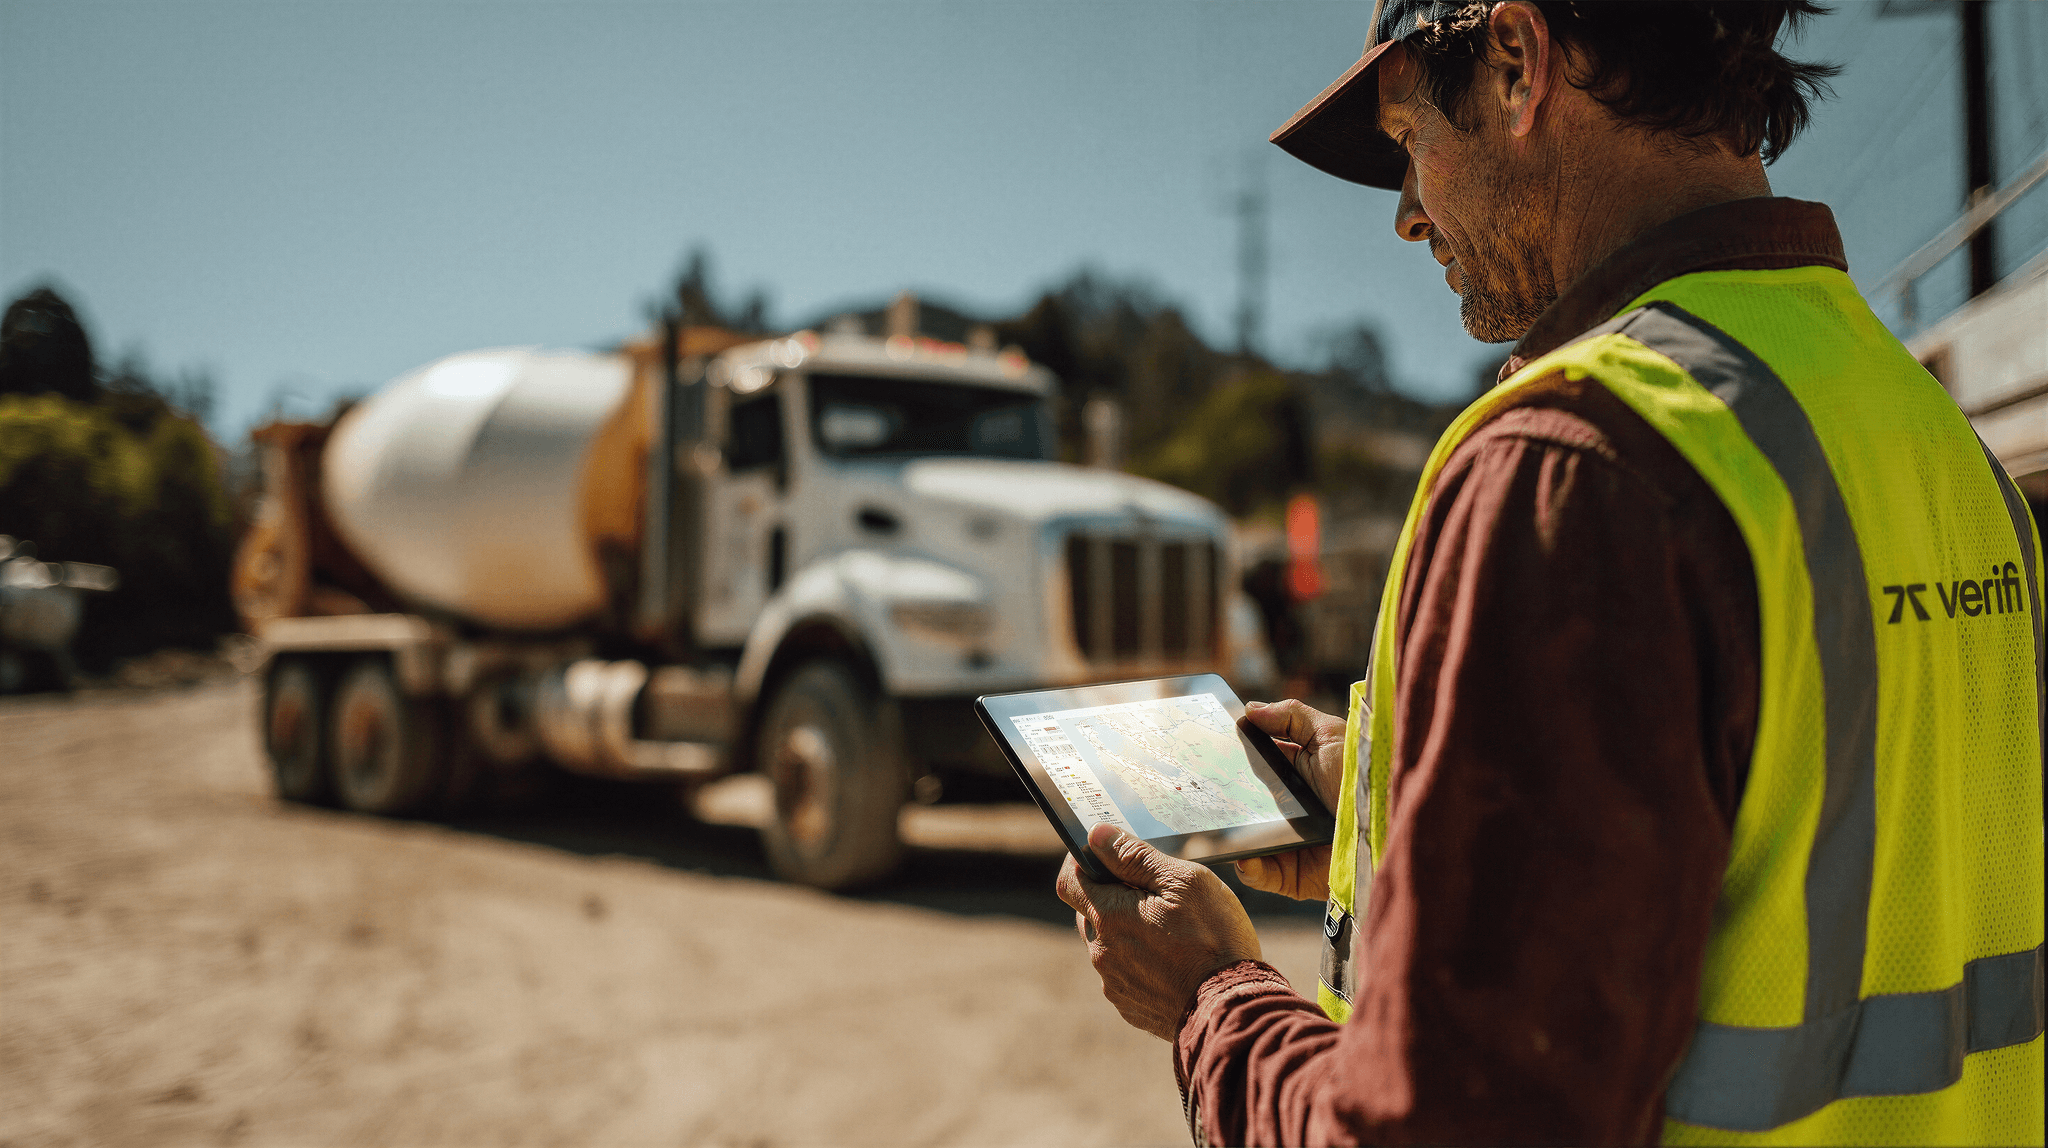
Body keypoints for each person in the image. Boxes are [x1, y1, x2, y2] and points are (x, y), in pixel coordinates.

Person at [1054, 2, 2046, 1144]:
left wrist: (1210, 999)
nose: (1407, 215)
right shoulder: (1931, 439)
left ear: (1517, 63)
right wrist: (1385, 796)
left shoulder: (1576, 464)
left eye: (1407, 139)